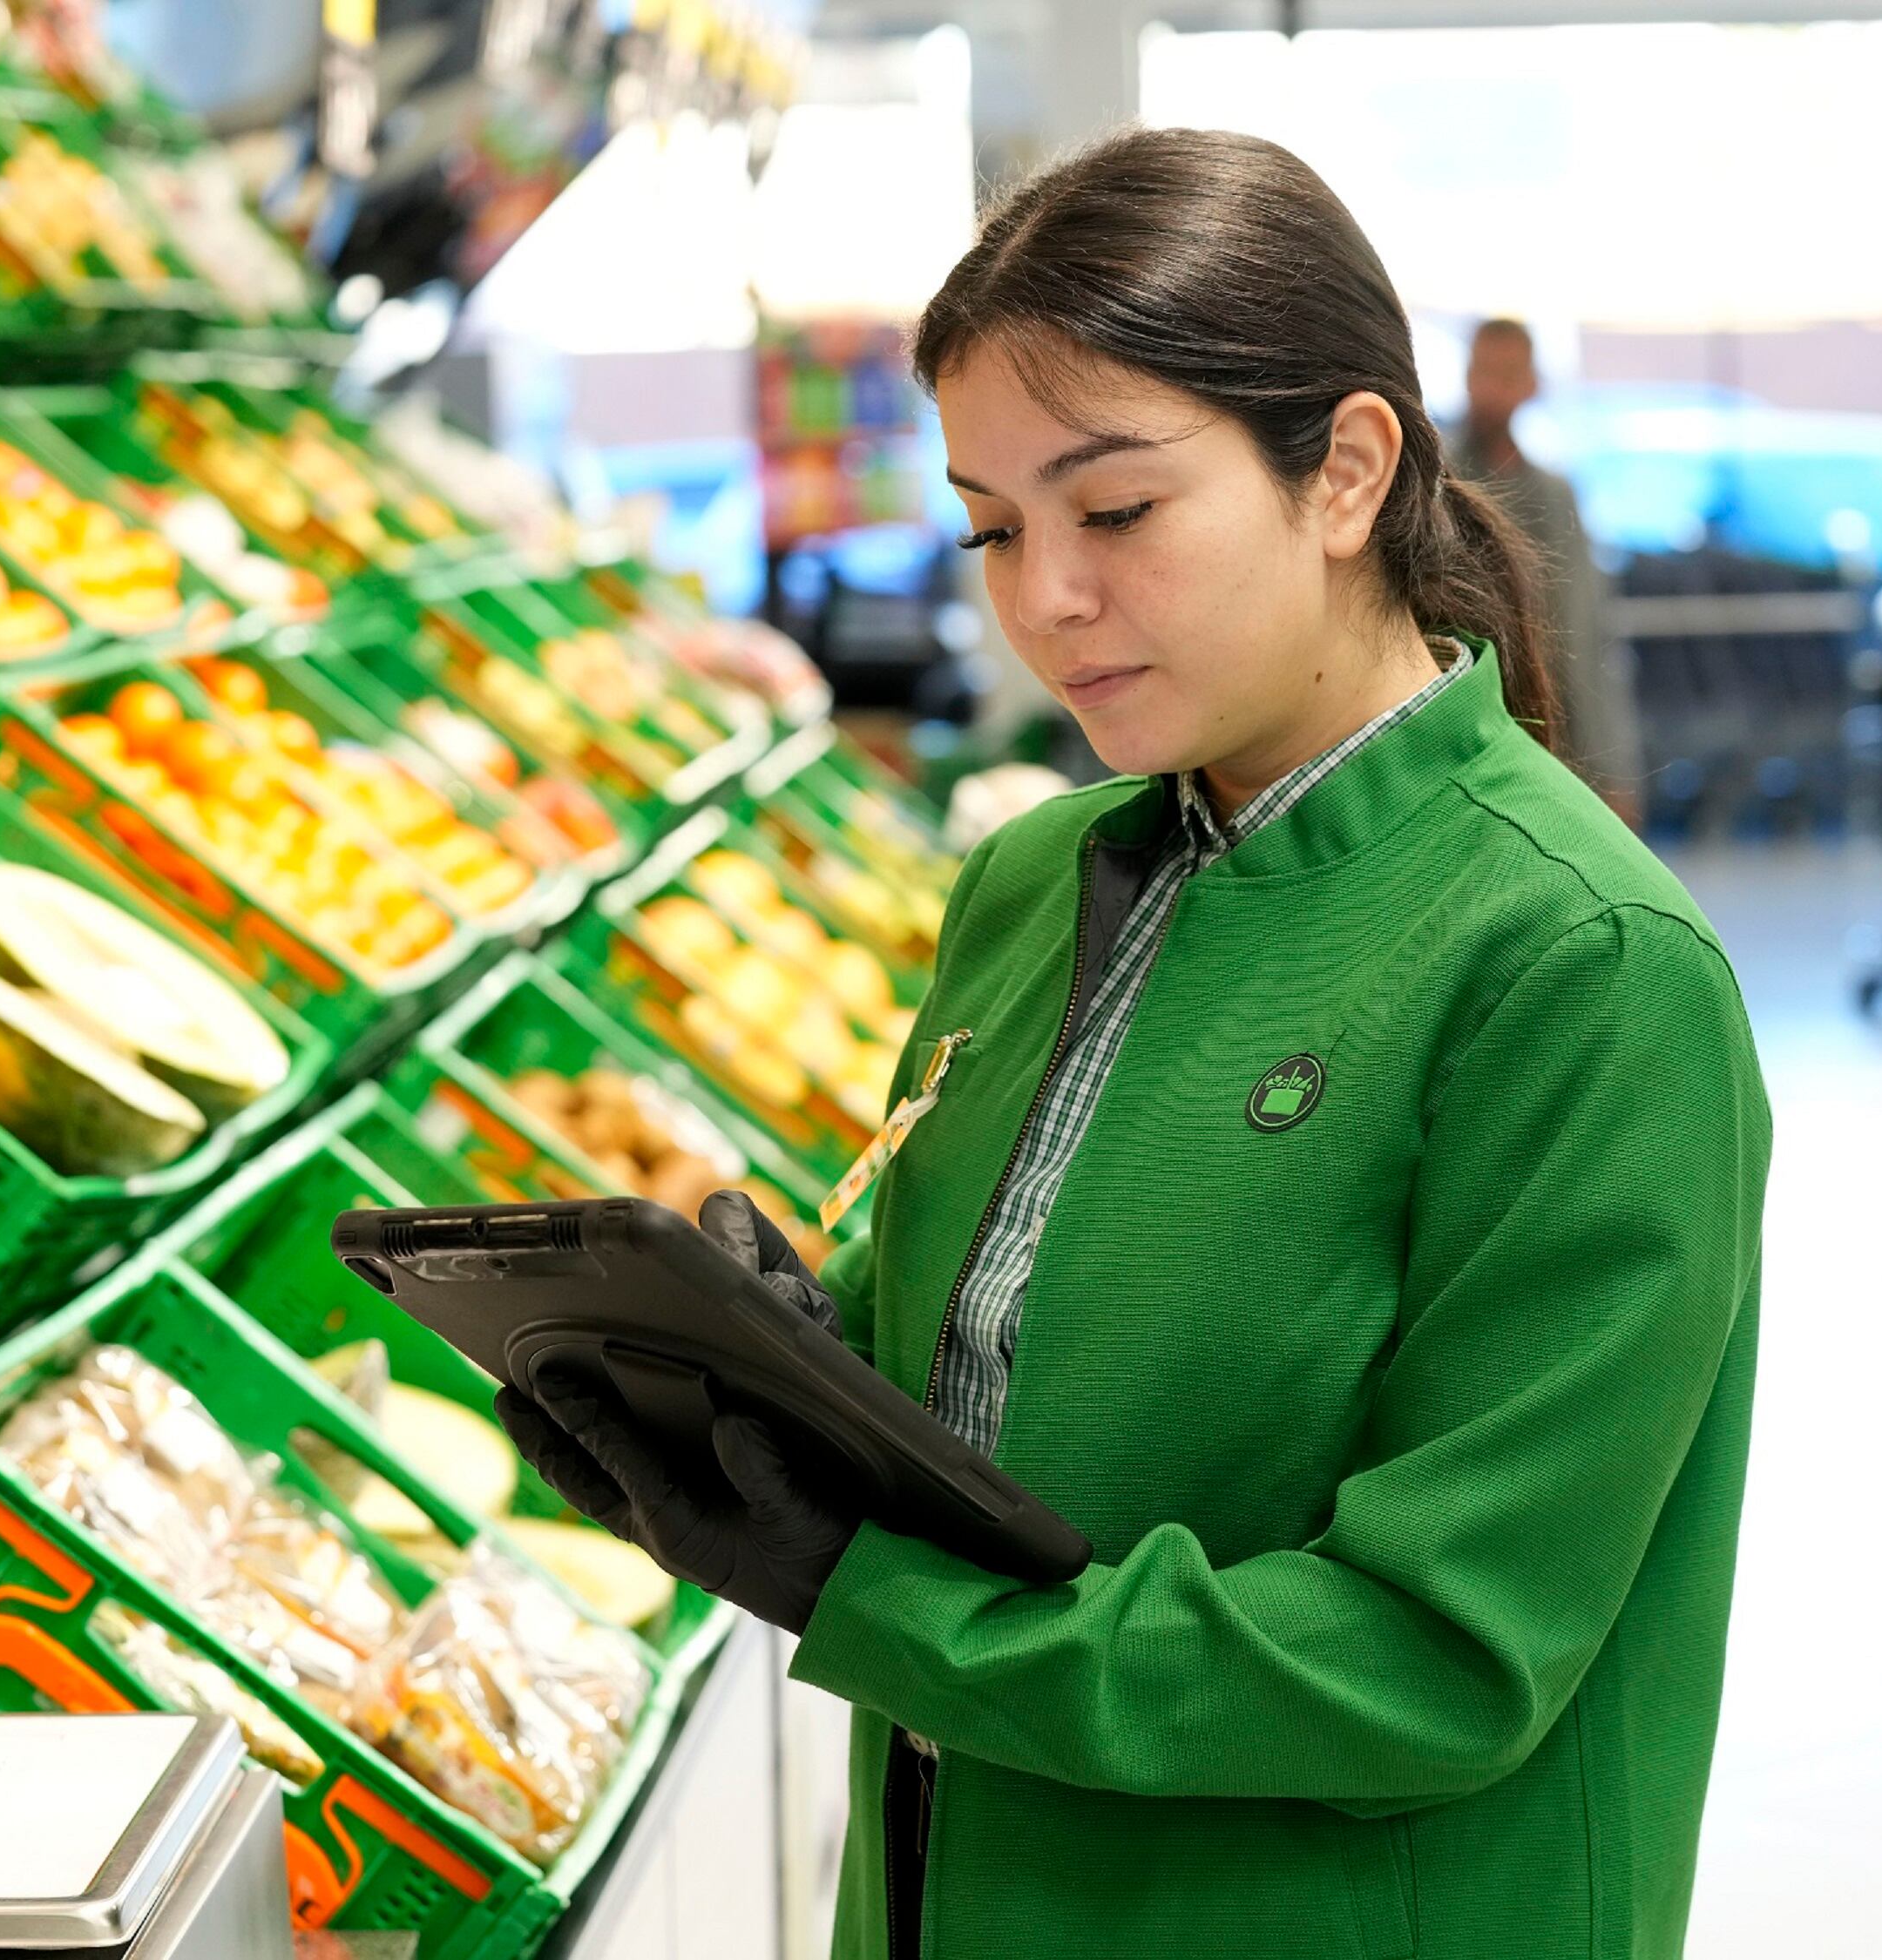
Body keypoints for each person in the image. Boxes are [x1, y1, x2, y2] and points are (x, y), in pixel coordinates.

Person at [498, 127, 1769, 1960]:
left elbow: (1436, 1654)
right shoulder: (1031, 881)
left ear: (1343, 471)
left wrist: (869, 1600)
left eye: (1115, 512)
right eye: (995, 528)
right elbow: (999, 1373)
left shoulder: (1581, 965)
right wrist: (766, 1375)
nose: (1044, 599)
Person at [1454, 317, 1648, 823]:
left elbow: (1587, 641)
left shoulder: (1554, 499)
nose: (1489, 389)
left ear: (1532, 385)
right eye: (1481, 371)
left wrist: (1617, 777)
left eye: (1506, 374)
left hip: (1548, 747)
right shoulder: (1435, 483)